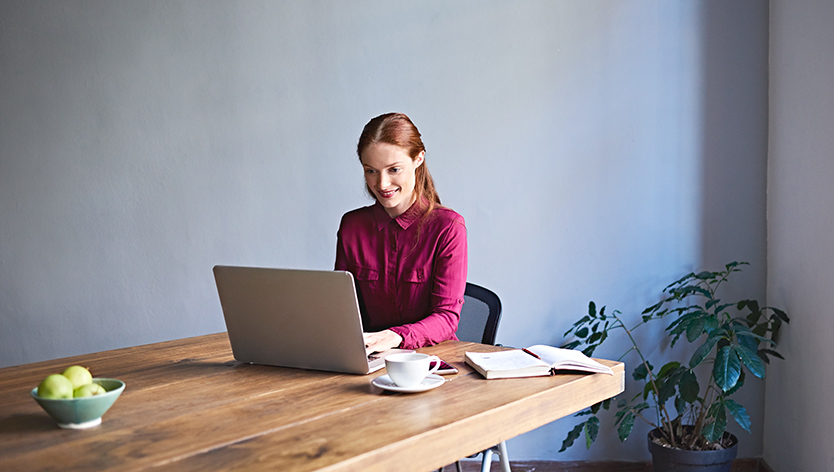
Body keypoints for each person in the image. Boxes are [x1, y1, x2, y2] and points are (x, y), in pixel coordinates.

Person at [335, 113, 468, 354]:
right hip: (369, 359)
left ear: (418, 159)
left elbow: (446, 317)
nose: (382, 184)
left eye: (394, 169)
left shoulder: (448, 227)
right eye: (371, 171)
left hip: (433, 360)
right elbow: (342, 311)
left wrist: (395, 337)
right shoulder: (352, 226)